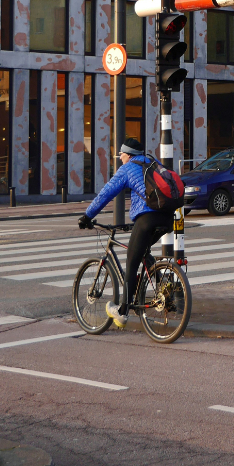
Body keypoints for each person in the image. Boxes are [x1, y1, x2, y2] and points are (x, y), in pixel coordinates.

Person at [78, 138, 173, 328]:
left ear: (128, 154)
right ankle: (162, 289)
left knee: (131, 259)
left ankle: (123, 311)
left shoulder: (128, 168)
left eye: (121, 155)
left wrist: (87, 216)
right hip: (168, 217)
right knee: (143, 252)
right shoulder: (153, 162)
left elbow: (106, 193)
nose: (120, 158)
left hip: (147, 218)